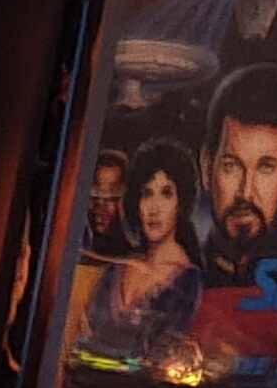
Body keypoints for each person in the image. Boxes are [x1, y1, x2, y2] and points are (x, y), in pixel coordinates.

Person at [79, 137, 202, 356]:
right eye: (147, 194)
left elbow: (163, 352)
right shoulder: (117, 268)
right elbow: (85, 335)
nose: (154, 209)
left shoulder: (186, 281)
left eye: (166, 193)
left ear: (181, 203)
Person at [197, 66, 277, 289]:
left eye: (265, 167)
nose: (245, 192)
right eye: (231, 166)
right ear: (206, 167)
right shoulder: (176, 281)